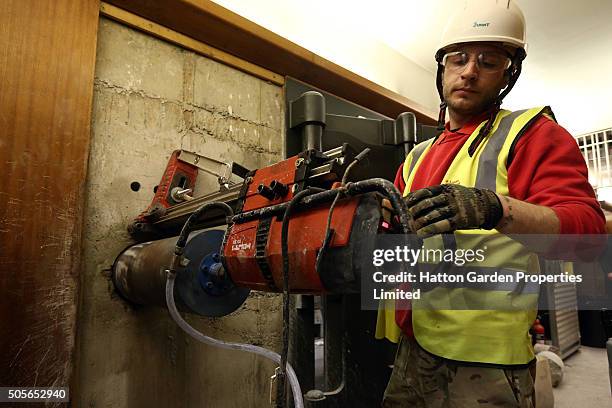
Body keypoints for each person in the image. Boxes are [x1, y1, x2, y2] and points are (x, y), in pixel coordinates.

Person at [380, 1, 605, 407]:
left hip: (488, 367)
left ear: (508, 73)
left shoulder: (532, 134)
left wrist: (496, 210)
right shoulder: (415, 157)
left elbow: (588, 235)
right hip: (413, 350)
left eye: (488, 60)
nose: (469, 70)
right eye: (458, 58)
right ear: (442, 68)